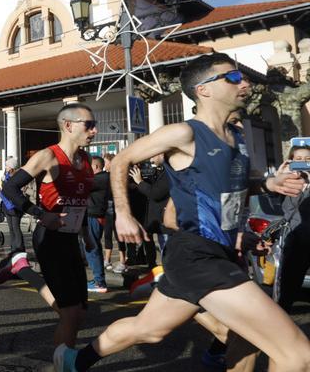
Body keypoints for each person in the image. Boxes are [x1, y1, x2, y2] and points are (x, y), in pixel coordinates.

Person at [54, 53, 310, 372]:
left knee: (150, 329)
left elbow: (235, 187)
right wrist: (123, 213)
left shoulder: (237, 136)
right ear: (203, 90)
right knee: (297, 355)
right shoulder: (184, 134)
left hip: (220, 252)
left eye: (242, 76)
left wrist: (269, 184)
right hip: (196, 257)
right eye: (232, 78)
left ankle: (74, 360)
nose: (244, 82)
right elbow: (122, 160)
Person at [2, 103, 97, 348]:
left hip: (71, 238)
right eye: (89, 125)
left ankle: (21, 268)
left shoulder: (85, 160)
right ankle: (63, 364)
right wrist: (39, 214)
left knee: (81, 313)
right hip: (49, 238)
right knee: (69, 314)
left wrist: (86, 233)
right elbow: (9, 188)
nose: (94, 131)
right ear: (68, 125)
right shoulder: (48, 156)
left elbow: (80, 201)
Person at [276, 144, 310, 313]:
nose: (303, 163)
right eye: (298, 159)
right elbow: (277, 204)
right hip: (295, 243)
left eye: (307, 159)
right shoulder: (287, 182)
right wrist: (279, 176)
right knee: (288, 290)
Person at [85, 156, 110, 293]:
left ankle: (99, 282)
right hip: (94, 215)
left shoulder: (100, 178)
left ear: (95, 167)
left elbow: (82, 185)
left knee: (92, 248)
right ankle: (98, 280)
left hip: (94, 216)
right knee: (92, 248)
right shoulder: (101, 178)